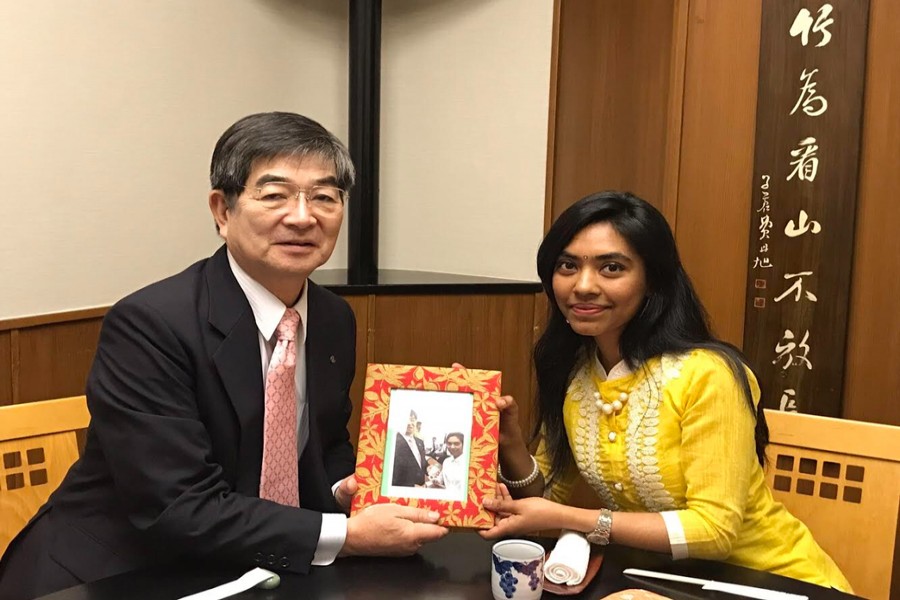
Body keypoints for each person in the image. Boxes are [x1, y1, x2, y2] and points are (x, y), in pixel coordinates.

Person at [0, 112, 447, 600]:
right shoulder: (150, 324)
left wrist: (347, 491)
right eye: (274, 195)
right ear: (222, 210)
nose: (303, 217)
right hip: (123, 570)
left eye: (324, 197)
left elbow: (325, 443)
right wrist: (348, 535)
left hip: (254, 564)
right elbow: (177, 506)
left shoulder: (333, 318)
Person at [480, 191, 851, 592]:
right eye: (567, 265)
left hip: (772, 582)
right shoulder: (575, 372)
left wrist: (574, 519)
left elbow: (714, 531)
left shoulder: (707, 375)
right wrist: (510, 443)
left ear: (653, 280)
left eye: (611, 268)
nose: (583, 286)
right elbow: (547, 498)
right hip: (663, 581)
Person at [392, 411, 427, 487]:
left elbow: (421, 463)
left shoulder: (420, 442)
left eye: (412, 420)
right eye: (406, 420)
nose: (410, 423)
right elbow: (391, 474)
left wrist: (430, 469)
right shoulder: (393, 442)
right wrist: (412, 486)